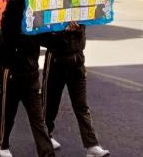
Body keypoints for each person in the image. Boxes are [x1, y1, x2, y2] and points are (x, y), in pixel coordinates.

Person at [0, 0, 55, 157]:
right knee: (7, 113)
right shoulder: (10, 21)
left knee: (37, 118)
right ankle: (2, 145)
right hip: (11, 73)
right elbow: (9, 20)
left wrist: (69, 29)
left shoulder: (37, 25)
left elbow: (50, 41)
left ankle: (47, 153)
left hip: (31, 74)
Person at [41, 24, 110, 157]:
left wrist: (77, 29)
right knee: (50, 103)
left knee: (82, 106)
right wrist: (65, 32)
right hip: (56, 62)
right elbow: (44, 39)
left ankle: (92, 145)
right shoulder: (50, 8)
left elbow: (82, 41)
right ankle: (45, 137)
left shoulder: (79, 11)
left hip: (76, 62)